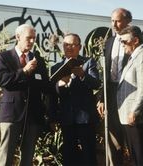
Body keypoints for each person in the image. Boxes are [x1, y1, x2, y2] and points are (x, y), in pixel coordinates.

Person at [0, 24, 52, 166]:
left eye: (34, 38)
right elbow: (2, 80)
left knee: (28, 157)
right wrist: (24, 71)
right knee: (5, 155)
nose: (32, 41)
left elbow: (45, 87)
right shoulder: (4, 57)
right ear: (18, 37)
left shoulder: (38, 60)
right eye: (29, 38)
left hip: (33, 115)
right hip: (11, 114)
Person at [49, 33, 101, 166]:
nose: (69, 48)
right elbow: (53, 96)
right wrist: (53, 118)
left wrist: (83, 75)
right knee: (69, 156)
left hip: (86, 119)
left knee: (89, 155)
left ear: (80, 47)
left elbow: (96, 84)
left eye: (73, 45)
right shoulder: (56, 68)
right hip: (67, 118)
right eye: (66, 44)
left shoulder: (88, 62)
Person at [117, 25, 143, 165]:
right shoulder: (133, 57)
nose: (121, 45)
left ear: (135, 40)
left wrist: (134, 111)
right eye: (120, 41)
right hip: (131, 118)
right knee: (137, 158)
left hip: (140, 119)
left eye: (124, 41)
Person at [97, 8, 132, 165]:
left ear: (127, 21)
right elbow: (106, 73)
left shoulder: (136, 41)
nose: (114, 24)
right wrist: (102, 98)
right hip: (110, 94)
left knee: (131, 136)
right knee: (112, 137)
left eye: (117, 20)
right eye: (112, 20)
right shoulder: (110, 42)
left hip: (129, 94)